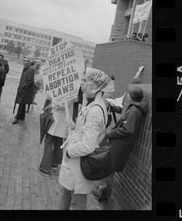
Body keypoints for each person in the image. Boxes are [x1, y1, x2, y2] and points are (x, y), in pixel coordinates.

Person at [56, 67, 113, 210]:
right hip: (75, 163)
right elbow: (86, 131)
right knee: (65, 193)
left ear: (95, 85)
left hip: (78, 163)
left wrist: (69, 151)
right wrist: (74, 125)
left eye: (85, 80)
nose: (81, 83)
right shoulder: (92, 103)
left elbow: (88, 145)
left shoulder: (94, 110)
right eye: (81, 79)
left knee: (77, 202)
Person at [91, 83, 148, 203]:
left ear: (132, 97)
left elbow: (127, 130)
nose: (126, 95)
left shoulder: (134, 111)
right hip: (120, 145)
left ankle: (105, 196)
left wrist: (111, 133)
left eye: (128, 94)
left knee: (109, 170)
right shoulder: (134, 109)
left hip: (120, 146)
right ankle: (103, 192)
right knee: (108, 169)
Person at [37, 99, 74, 177]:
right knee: (58, 142)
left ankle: (45, 168)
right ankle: (54, 163)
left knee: (49, 142)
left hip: (55, 119)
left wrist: (52, 103)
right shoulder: (72, 91)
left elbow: (58, 105)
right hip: (64, 120)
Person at [13, 57, 36, 124]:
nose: (24, 62)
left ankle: (17, 117)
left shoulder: (30, 69)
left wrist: (23, 87)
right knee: (22, 103)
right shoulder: (26, 69)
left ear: (28, 62)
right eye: (24, 61)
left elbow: (29, 81)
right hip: (23, 89)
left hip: (25, 90)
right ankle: (21, 116)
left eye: (25, 61)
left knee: (21, 103)